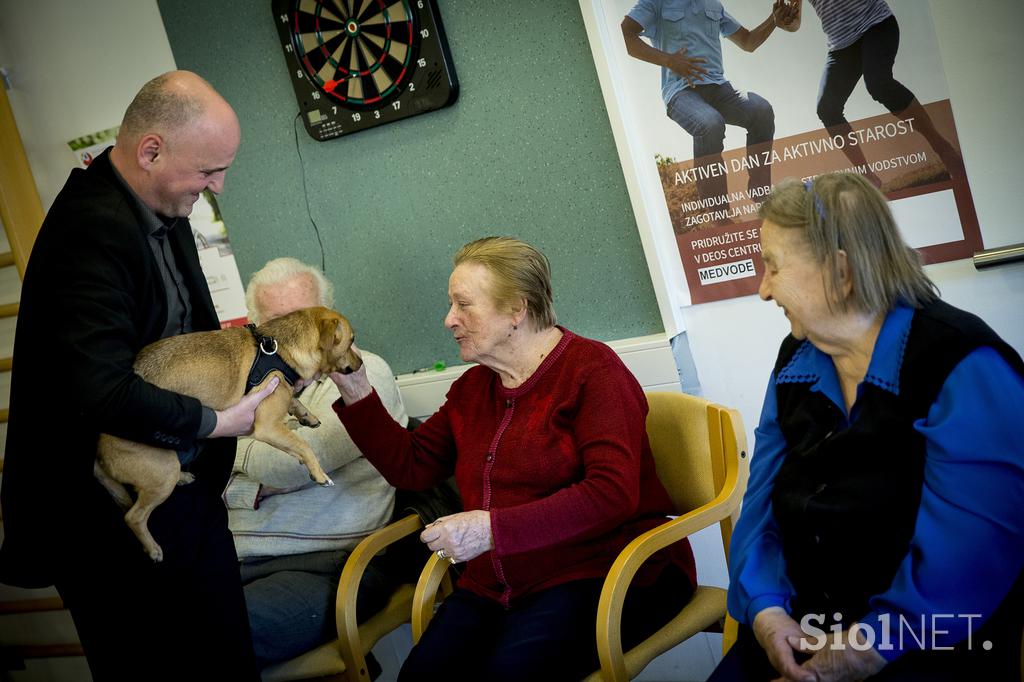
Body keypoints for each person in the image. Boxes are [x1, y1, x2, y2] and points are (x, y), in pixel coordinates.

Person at [0, 71, 279, 680]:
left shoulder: (161, 208)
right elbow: (100, 391)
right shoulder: (88, 229)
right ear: (151, 150)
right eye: (208, 171)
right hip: (107, 516)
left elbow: (195, 341)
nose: (218, 186)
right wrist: (219, 420)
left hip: (183, 493)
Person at [328, 236, 697, 680]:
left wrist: (492, 529)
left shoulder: (592, 371)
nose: (449, 320)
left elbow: (611, 494)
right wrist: (355, 389)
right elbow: (414, 465)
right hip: (499, 583)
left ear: (516, 311)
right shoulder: (473, 388)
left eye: (464, 305)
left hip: (604, 571)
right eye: (451, 305)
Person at [708, 173, 1024, 681]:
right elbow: (761, 508)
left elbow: (972, 557)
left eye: (772, 267)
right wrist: (766, 611)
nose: (763, 290)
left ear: (841, 272)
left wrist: (863, 649)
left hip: (925, 641)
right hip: (800, 627)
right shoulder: (797, 359)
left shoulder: (961, 363)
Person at [226, 257, 409, 669]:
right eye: (279, 324)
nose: (296, 334)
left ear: (330, 318)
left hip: (333, 566)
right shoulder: (246, 382)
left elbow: (289, 466)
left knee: (209, 638)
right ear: (256, 331)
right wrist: (247, 481)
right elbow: (200, 468)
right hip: (237, 559)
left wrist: (229, 439)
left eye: (306, 319)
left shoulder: (363, 373)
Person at [773, 0, 963, 187]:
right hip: (841, 45)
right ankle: (868, 177)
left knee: (878, 83)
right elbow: (795, 20)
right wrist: (787, 22)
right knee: (827, 109)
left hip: (876, 24)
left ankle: (943, 148)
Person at [622, 0, 780, 221]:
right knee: (710, 124)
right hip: (681, 92)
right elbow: (627, 33)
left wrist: (774, 20)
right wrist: (670, 61)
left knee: (761, 111)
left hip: (719, 88)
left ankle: (761, 194)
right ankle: (718, 214)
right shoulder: (655, 3)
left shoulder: (713, 5)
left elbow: (748, 41)